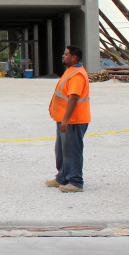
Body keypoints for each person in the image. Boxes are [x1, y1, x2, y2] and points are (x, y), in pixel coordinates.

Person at [46, 45, 90, 193]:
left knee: (72, 150)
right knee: (61, 150)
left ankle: (75, 181)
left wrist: (65, 120)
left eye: (66, 54)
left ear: (74, 58)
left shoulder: (77, 75)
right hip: (64, 119)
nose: (63, 56)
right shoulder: (70, 72)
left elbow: (73, 98)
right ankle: (62, 177)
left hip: (73, 120)